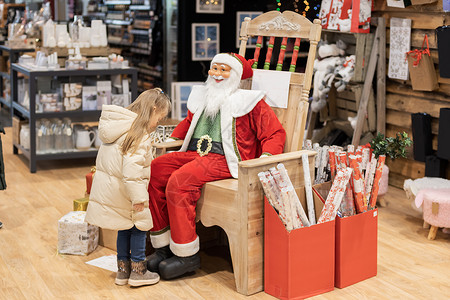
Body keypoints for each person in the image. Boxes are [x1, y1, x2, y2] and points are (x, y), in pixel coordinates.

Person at [147, 53, 286, 279]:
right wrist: (171, 140)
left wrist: (267, 157)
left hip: (225, 159)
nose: (218, 74)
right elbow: (189, 123)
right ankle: (163, 246)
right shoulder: (203, 96)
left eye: (224, 70)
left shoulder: (249, 102)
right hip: (195, 152)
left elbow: (274, 133)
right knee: (157, 168)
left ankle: (186, 254)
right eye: (215, 69)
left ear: (236, 75)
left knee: (179, 182)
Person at [85, 88, 171, 287]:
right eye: (159, 118)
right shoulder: (138, 136)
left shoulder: (120, 129)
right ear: (153, 109)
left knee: (124, 229)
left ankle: (122, 272)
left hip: (114, 190)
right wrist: (139, 198)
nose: (158, 123)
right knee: (139, 228)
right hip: (129, 192)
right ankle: (139, 272)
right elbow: (132, 172)